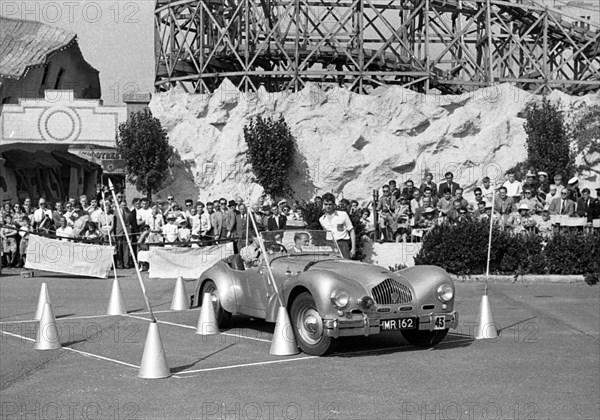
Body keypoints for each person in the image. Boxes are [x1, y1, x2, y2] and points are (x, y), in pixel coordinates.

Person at [319, 193, 356, 258]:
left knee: (345, 264)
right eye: (326, 204)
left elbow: (351, 231)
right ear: (323, 205)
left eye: (330, 204)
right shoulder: (322, 219)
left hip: (342, 244)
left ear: (334, 204)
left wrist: (353, 248)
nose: (328, 206)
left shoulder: (343, 215)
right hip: (330, 244)